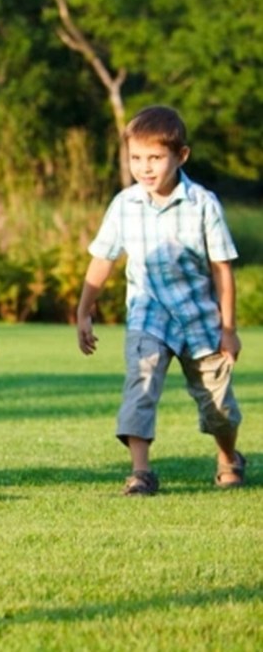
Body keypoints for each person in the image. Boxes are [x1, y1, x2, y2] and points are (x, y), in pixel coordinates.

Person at [76, 105, 245, 496]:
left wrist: (229, 329)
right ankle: (141, 472)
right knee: (141, 383)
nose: (145, 167)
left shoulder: (203, 204)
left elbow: (222, 270)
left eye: (155, 158)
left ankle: (229, 457)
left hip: (200, 319)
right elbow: (103, 259)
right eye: (136, 158)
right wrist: (85, 311)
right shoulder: (124, 204)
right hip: (148, 315)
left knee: (218, 408)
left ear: (180, 156)